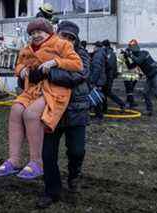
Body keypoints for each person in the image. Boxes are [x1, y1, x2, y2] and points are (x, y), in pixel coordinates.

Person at [0, 18, 83, 179]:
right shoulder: (27, 49)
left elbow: (77, 65)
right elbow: (18, 64)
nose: (36, 35)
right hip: (33, 89)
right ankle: (14, 160)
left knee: (31, 114)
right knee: (16, 109)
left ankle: (37, 162)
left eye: (39, 32)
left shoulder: (61, 45)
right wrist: (22, 70)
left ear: (49, 33)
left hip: (54, 89)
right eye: (33, 33)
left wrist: (55, 62)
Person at [37, 21, 90, 208]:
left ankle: (74, 175)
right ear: (56, 34)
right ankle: (52, 191)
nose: (66, 39)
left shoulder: (81, 54)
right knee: (48, 154)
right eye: (64, 35)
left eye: (71, 38)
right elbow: (31, 74)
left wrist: (49, 73)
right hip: (52, 111)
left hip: (76, 111)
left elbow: (78, 76)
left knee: (77, 151)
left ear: (76, 40)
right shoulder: (44, 49)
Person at [124, 39, 157, 116]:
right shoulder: (136, 56)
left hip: (156, 74)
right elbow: (130, 66)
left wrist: (130, 55)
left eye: (133, 47)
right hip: (150, 76)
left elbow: (138, 61)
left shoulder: (144, 53)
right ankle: (149, 110)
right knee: (145, 93)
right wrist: (126, 58)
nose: (132, 49)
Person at [102, 39, 125, 112]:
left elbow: (109, 65)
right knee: (104, 92)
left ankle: (121, 103)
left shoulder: (109, 54)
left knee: (107, 92)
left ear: (105, 46)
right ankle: (104, 108)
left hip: (108, 76)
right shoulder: (110, 53)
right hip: (109, 76)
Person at [89, 41, 107, 120]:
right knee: (98, 96)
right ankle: (99, 114)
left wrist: (92, 80)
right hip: (101, 79)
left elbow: (96, 69)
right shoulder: (101, 54)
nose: (93, 48)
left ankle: (99, 116)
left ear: (96, 47)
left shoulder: (98, 55)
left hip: (98, 80)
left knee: (96, 96)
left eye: (94, 47)